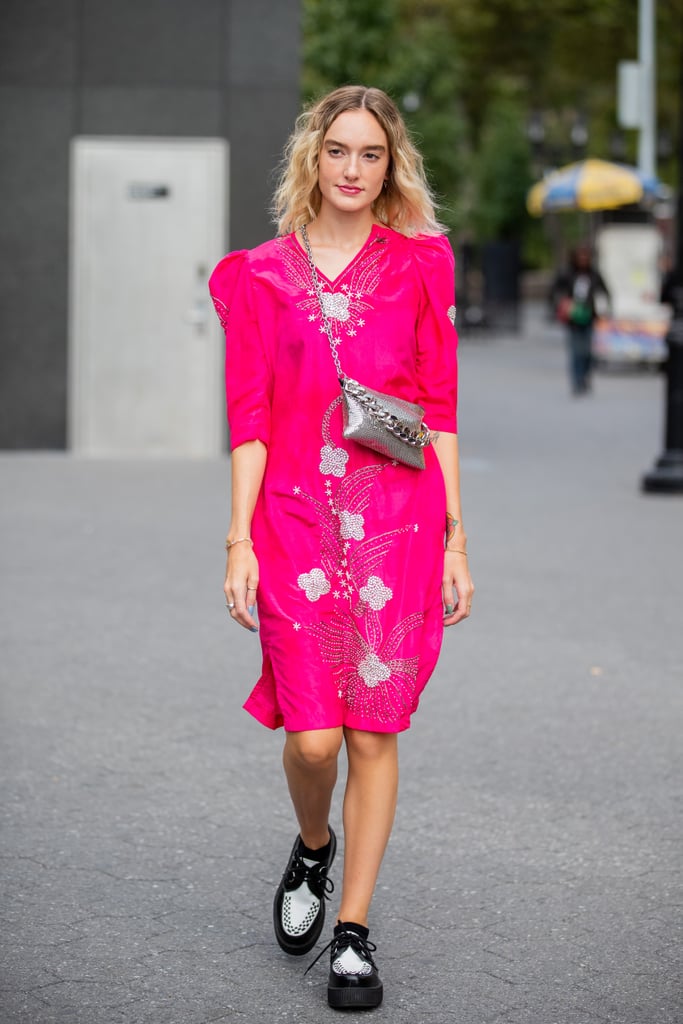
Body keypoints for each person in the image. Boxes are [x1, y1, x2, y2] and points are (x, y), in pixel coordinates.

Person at [209, 84, 474, 1011]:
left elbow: (435, 409)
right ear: (310, 161)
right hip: (290, 521)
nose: (353, 170)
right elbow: (247, 418)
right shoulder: (258, 275)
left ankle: (353, 932)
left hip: (397, 521)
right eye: (338, 152)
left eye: (370, 154)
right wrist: (238, 538)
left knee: (373, 726)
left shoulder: (419, 265)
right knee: (313, 738)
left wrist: (453, 538)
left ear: (389, 163)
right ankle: (313, 848)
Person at [552, 243, 610, 395]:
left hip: (589, 317)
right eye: (580, 256)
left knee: (588, 352)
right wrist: (563, 303)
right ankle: (576, 382)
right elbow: (556, 291)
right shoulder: (567, 274)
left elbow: (604, 293)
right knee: (576, 351)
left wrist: (604, 310)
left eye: (586, 256)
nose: (583, 259)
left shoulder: (594, 275)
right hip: (572, 318)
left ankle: (585, 377)